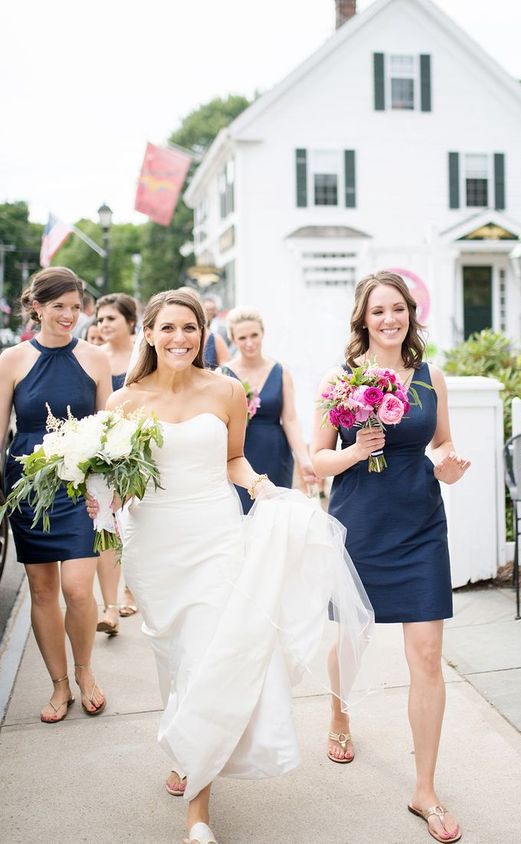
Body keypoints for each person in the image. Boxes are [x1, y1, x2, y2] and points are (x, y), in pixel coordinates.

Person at [87, 288, 372, 844]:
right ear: (149, 333)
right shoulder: (124, 402)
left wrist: (264, 486)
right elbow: (113, 482)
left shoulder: (226, 390)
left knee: (205, 656)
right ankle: (186, 743)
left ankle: (198, 813)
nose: (179, 338)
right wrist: (102, 507)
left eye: (189, 328)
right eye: (167, 328)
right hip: (155, 543)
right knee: (173, 656)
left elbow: (233, 460)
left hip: (216, 535)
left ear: (203, 333)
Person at [311, 271, 470, 844]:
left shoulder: (431, 378)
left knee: (426, 655)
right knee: (350, 638)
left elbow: (440, 442)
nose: (389, 319)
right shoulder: (340, 380)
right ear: (364, 319)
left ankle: (424, 788)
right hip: (361, 526)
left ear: (410, 314)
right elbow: (315, 460)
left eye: (397, 308)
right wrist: (355, 450)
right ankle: (338, 714)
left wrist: (450, 461)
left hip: (422, 526)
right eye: (378, 310)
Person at [0, 267, 112, 722]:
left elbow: (109, 431)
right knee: (43, 592)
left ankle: (85, 671)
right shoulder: (10, 360)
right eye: (58, 306)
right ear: (37, 307)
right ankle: (59, 684)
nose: (69, 315)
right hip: (29, 484)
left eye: (74, 306)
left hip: (81, 484)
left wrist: (105, 489)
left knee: (78, 590)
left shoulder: (97, 358)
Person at [222, 306, 316, 513]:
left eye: (254, 335)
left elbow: (290, 419)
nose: (249, 342)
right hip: (239, 456)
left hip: (276, 453)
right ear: (233, 339)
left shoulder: (280, 371)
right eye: (242, 337)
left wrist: (304, 459)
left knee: (275, 516)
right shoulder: (224, 375)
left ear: (262, 333)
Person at [95, 292, 139, 634]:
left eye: (110, 318)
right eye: (99, 319)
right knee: (107, 524)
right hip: (103, 451)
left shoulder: (144, 353)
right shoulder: (95, 357)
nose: (103, 325)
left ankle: (131, 587)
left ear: (129, 321)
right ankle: (109, 607)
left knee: (137, 524)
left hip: (140, 451)